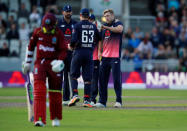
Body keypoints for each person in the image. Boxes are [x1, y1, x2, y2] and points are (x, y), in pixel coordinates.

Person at [22, 13, 67, 127]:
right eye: (44, 27)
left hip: (54, 64)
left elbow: (63, 50)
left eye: (48, 27)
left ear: (54, 25)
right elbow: (30, 47)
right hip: (40, 63)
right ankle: (39, 119)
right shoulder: (38, 31)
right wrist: (27, 62)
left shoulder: (58, 33)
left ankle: (55, 117)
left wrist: (60, 61)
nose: (46, 29)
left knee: (55, 92)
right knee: (39, 91)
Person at [68, 8, 100, 107]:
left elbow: (73, 40)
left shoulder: (77, 25)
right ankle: (86, 100)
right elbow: (99, 38)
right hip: (89, 53)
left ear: (81, 15)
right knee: (88, 79)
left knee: (73, 75)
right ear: (89, 16)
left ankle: (75, 94)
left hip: (79, 52)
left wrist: (71, 46)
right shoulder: (93, 26)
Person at [96, 9, 123, 108]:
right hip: (105, 57)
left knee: (116, 80)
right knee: (102, 80)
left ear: (112, 15)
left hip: (115, 57)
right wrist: (99, 52)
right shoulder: (103, 27)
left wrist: (106, 27)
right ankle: (102, 101)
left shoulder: (118, 23)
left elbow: (119, 30)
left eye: (108, 15)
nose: (106, 17)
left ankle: (118, 101)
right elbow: (100, 40)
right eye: (105, 16)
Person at [57, 5, 77, 106]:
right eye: (66, 11)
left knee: (72, 75)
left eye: (70, 11)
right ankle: (64, 98)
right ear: (63, 13)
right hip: (61, 54)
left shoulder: (75, 24)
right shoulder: (59, 23)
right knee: (61, 75)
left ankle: (74, 97)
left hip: (73, 54)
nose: (68, 13)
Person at [89, 14, 101, 105]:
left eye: (91, 20)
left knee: (94, 78)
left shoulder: (97, 26)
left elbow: (100, 39)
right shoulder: (84, 26)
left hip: (95, 57)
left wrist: (99, 52)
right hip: (87, 56)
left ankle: (92, 98)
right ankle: (88, 98)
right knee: (88, 78)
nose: (90, 21)